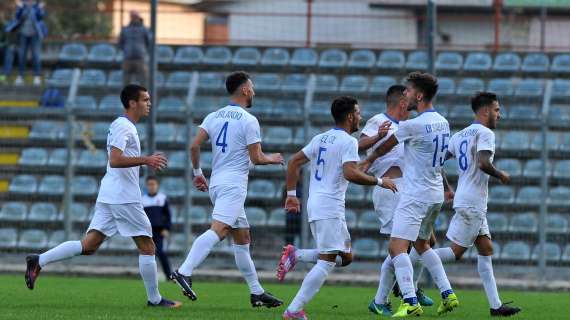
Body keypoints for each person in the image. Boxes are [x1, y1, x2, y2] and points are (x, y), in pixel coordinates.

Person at [25, 84, 181, 308]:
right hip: (123, 197)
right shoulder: (124, 126)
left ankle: (39, 260)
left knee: (89, 245)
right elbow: (115, 160)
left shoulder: (124, 126)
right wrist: (146, 159)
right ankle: (155, 299)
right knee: (148, 245)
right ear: (132, 103)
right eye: (145, 100)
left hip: (112, 194)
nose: (149, 103)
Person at [277, 96, 398, 320]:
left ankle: (296, 254)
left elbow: (294, 161)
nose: (360, 116)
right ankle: (293, 310)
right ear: (351, 116)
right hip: (329, 206)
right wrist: (380, 181)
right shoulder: (347, 142)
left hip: (320, 204)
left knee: (346, 256)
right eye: (359, 113)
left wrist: (292, 195)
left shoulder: (322, 138)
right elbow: (350, 172)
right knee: (328, 261)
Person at [170, 71, 284, 308]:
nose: (253, 91)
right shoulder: (248, 120)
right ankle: (184, 270)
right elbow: (257, 157)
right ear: (244, 90)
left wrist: (198, 174)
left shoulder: (214, 116)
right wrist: (272, 158)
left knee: (242, 238)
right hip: (233, 185)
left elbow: (194, 146)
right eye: (251, 87)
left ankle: (257, 292)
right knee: (220, 230)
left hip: (217, 182)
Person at [360, 72, 458, 317]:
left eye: (409, 90)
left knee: (396, 248)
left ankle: (410, 301)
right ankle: (447, 294)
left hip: (415, 194)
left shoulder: (412, 125)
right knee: (423, 245)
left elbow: (386, 145)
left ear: (420, 95)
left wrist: (368, 160)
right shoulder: (443, 122)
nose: (406, 94)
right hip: (434, 193)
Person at [434, 92, 521, 317]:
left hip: (469, 200)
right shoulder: (485, 133)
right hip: (472, 203)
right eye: (496, 110)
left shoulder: (460, 135)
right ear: (485, 111)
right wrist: (500, 173)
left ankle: (496, 306)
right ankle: (405, 261)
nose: (499, 115)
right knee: (454, 253)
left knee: (486, 249)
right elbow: (483, 163)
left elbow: (437, 161)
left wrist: (446, 187)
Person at [358, 85, 434, 315]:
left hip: (410, 189)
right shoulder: (378, 121)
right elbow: (358, 145)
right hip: (390, 188)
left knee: (425, 239)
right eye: (409, 97)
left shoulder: (410, 127)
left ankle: (403, 287)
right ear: (403, 102)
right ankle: (398, 292)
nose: (412, 101)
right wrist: (377, 137)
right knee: (401, 245)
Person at [5, 0, 47, 86]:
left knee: (35, 56)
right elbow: (18, 17)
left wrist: (40, 8)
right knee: (21, 56)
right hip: (23, 34)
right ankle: (20, 77)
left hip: (35, 35)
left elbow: (41, 17)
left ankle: (37, 77)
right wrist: (21, 7)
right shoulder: (21, 5)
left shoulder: (37, 6)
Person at [142, 176, 173, 280]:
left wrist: (166, 228)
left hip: (159, 231)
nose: (151, 187)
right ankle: (148, 277)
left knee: (160, 252)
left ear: (157, 185)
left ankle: (169, 275)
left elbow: (168, 215)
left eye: (153, 184)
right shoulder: (142, 200)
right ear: (146, 186)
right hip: (146, 232)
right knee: (147, 255)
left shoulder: (162, 198)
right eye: (149, 184)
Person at [118, 11, 150, 87]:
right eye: (132, 16)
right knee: (126, 82)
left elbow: (148, 43)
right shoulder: (125, 29)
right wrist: (126, 50)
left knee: (143, 82)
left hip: (140, 59)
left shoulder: (144, 29)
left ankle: (143, 98)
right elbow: (120, 43)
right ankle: (126, 98)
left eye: (135, 16)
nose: (134, 18)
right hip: (128, 59)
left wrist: (142, 51)